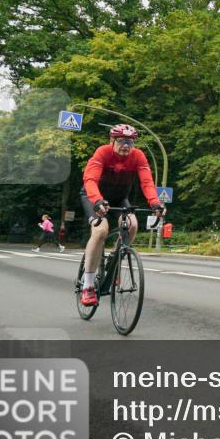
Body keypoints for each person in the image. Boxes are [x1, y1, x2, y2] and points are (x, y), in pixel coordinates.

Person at [79, 124, 164, 306]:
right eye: (121, 141)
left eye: (130, 142)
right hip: (94, 197)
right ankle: (88, 286)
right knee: (100, 231)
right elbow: (90, 180)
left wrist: (155, 203)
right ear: (112, 140)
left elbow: (147, 183)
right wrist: (98, 201)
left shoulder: (138, 156)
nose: (126, 145)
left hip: (119, 198)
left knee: (132, 225)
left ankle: (115, 259)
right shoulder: (103, 152)